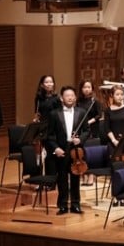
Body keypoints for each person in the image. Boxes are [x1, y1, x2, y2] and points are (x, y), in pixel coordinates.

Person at [46, 86, 89, 214]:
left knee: (75, 177)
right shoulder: (54, 114)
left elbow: (87, 130)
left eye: (72, 95)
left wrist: (80, 139)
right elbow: (50, 135)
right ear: (61, 98)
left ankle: (76, 204)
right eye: (67, 95)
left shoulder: (81, 112)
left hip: (76, 151)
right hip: (62, 150)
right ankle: (63, 205)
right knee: (62, 178)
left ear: (75, 98)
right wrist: (56, 148)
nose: (70, 97)